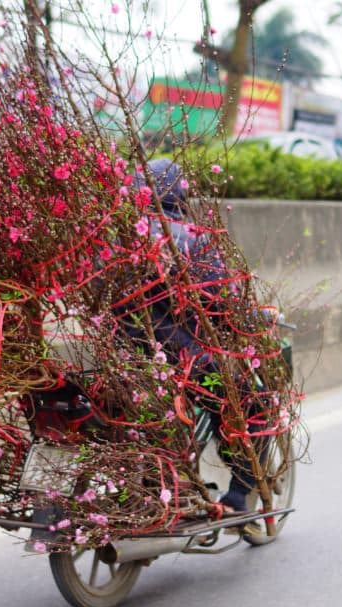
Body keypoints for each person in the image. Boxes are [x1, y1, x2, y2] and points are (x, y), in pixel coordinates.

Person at [114, 158, 261, 516]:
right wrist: (248, 320)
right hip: (183, 357)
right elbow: (221, 299)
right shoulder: (191, 238)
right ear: (179, 193)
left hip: (123, 355)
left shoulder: (115, 236)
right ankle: (239, 498)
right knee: (250, 406)